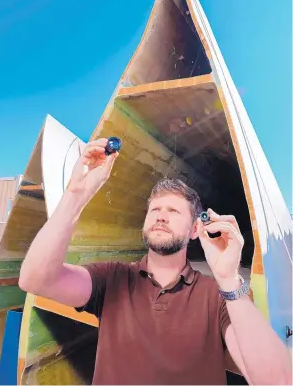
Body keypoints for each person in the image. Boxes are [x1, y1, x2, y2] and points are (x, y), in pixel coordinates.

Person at [19, 138, 292, 385]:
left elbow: (277, 381)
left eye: (173, 211)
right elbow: (35, 279)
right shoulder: (112, 279)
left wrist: (229, 279)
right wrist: (75, 195)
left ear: (195, 230)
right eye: (155, 210)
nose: (161, 216)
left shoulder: (217, 296)